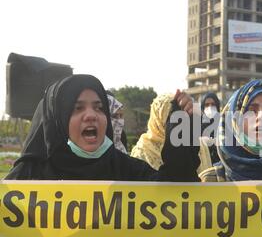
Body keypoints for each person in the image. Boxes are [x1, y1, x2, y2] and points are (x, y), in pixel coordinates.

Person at [5, 74, 199, 181]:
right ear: (58, 120)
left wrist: (181, 121)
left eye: (99, 108)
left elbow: (176, 192)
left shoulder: (126, 170)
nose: (91, 115)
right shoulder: (28, 177)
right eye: (77, 108)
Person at [199, 92, 221, 167]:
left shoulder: (223, 122)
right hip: (203, 165)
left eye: (213, 104)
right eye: (207, 105)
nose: (210, 107)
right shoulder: (197, 124)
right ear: (202, 107)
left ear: (217, 106)